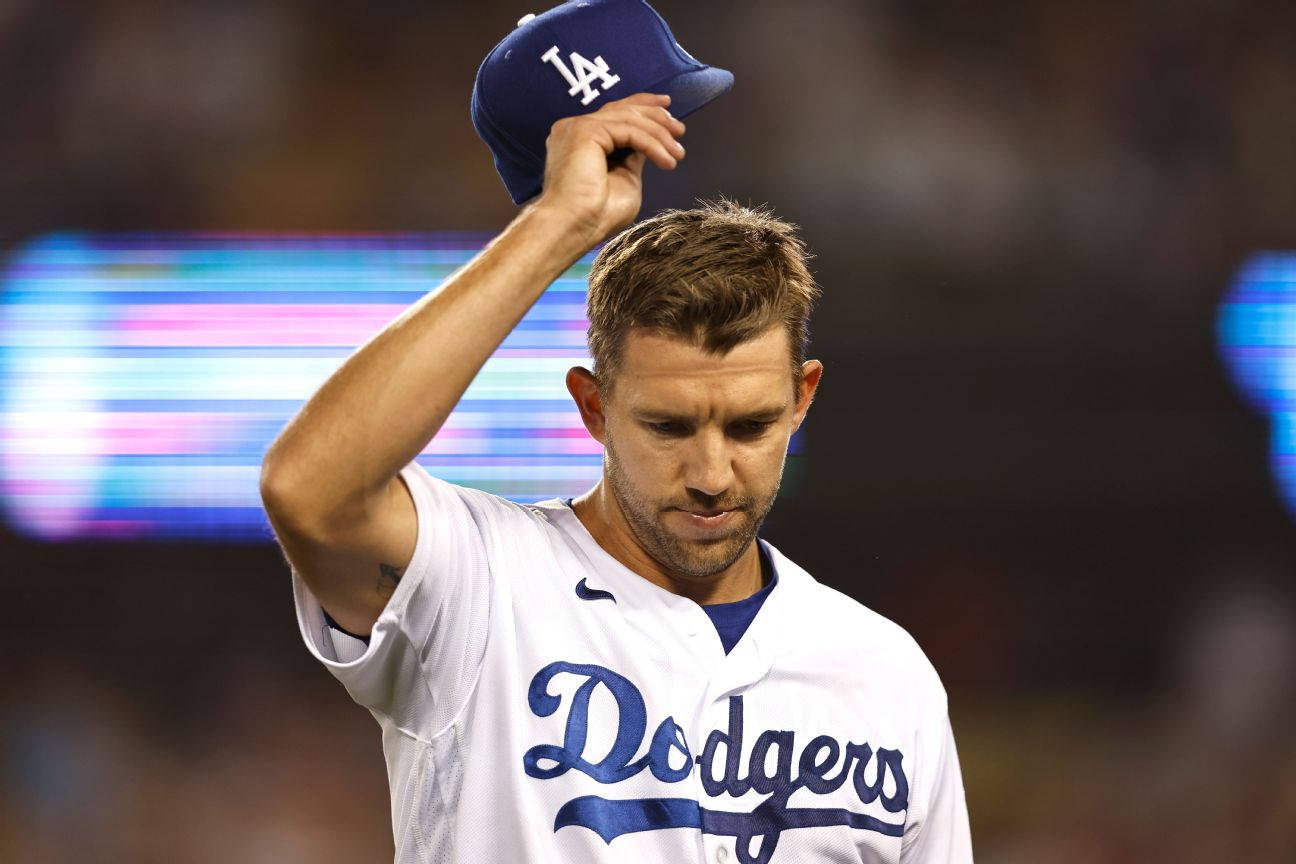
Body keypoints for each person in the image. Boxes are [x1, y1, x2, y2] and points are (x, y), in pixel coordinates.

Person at [260, 91, 973, 864]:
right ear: (593, 406)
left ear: (801, 399)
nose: (710, 473)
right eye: (668, 426)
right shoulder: (480, 587)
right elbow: (310, 487)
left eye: (749, 426)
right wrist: (556, 225)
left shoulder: (883, 670)